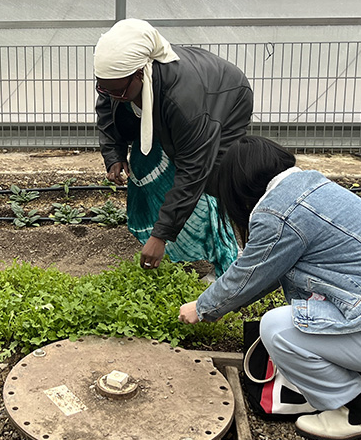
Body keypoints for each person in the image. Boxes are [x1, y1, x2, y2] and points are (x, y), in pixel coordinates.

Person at [179, 137, 361, 440]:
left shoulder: (279, 214)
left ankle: (356, 411)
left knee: (278, 329)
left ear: (239, 186)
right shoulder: (313, 187)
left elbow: (250, 274)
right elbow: (269, 271)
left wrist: (202, 307)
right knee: (317, 311)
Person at [94, 18, 252, 274]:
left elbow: (194, 169)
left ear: (141, 73)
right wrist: (114, 154)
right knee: (147, 164)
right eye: (103, 87)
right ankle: (175, 250)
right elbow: (106, 107)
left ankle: (226, 261)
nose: (112, 96)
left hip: (225, 100)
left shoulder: (183, 102)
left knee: (211, 181)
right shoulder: (117, 78)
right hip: (174, 103)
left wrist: (161, 235)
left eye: (119, 91)